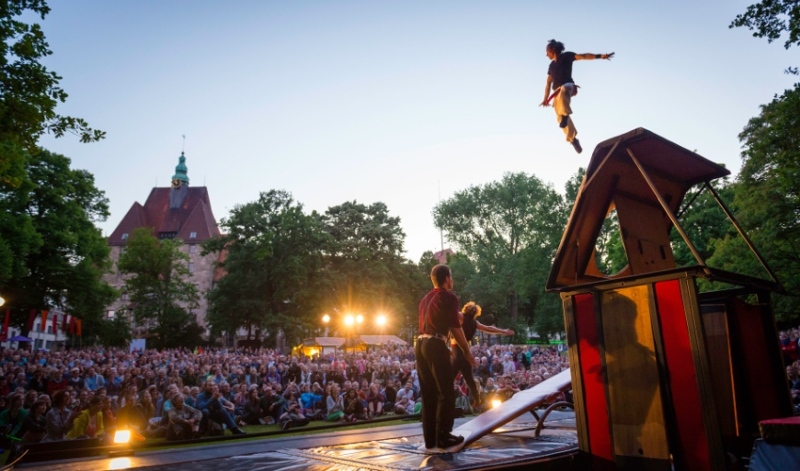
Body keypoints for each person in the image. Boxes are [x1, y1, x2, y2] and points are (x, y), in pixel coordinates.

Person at [416, 264, 476, 451]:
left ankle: (430, 439)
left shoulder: (425, 299)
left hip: (420, 344)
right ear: (447, 278)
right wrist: (467, 352)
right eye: (452, 276)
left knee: (428, 394)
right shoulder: (449, 297)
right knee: (446, 392)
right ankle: (444, 436)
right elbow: (456, 329)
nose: (453, 279)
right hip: (435, 344)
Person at [540, 39, 614, 154]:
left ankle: (565, 115)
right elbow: (548, 84)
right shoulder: (551, 66)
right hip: (556, 93)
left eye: (547, 52)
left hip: (568, 86)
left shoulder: (567, 56)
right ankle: (573, 139)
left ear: (552, 50)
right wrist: (545, 99)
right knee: (559, 119)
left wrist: (600, 56)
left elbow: (583, 56)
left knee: (564, 91)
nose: (546, 54)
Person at [452, 301, 513, 411]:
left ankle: (477, 400)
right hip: (462, 350)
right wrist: (503, 331)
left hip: (459, 348)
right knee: (468, 377)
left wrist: (503, 331)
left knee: (463, 376)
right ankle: (477, 400)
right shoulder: (472, 322)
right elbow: (489, 328)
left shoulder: (467, 319)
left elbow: (489, 328)